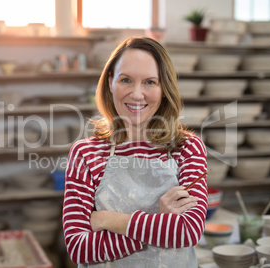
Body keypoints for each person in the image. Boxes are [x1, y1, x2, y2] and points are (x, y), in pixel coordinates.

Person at [62, 37, 208, 267]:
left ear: (164, 89)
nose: (137, 94)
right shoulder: (86, 153)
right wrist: (159, 224)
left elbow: (187, 232)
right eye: (126, 80)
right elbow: (79, 248)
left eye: (150, 82)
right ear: (111, 82)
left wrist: (108, 220)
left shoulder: (187, 148)